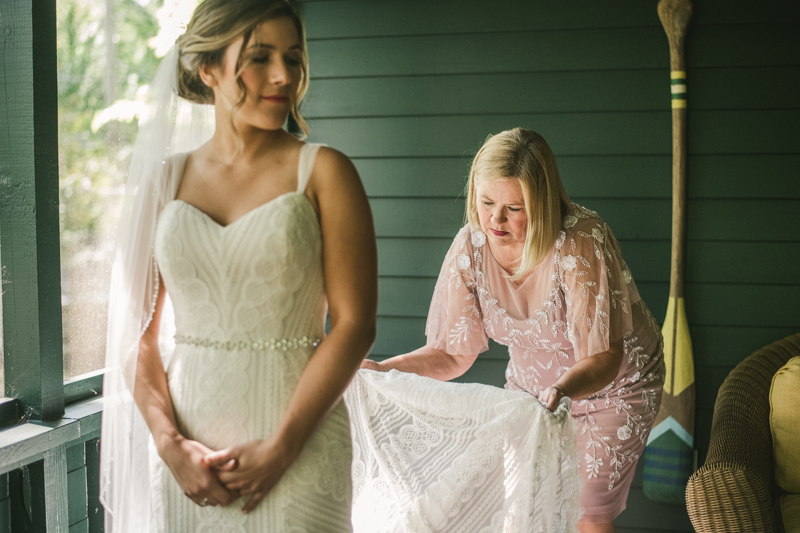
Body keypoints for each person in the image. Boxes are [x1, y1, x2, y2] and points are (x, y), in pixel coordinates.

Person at [99, 1, 377, 531]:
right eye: (259, 57)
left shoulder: (325, 172)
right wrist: (168, 442)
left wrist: (283, 445)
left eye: (293, 58)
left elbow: (355, 324)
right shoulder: (164, 182)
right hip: (190, 465)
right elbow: (137, 334)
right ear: (208, 68)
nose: (283, 76)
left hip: (299, 451)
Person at [360, 128, 664, 532]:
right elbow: (452, 354)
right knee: (522, 502)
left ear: (541, 204)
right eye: (486, 203)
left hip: (614, 384)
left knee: (587, 512)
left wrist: (562, 391)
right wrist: (384, 370)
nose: (495, 220)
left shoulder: (578, 242)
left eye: (514, 208)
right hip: (532, 393)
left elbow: (604, 356)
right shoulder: (471, 248)